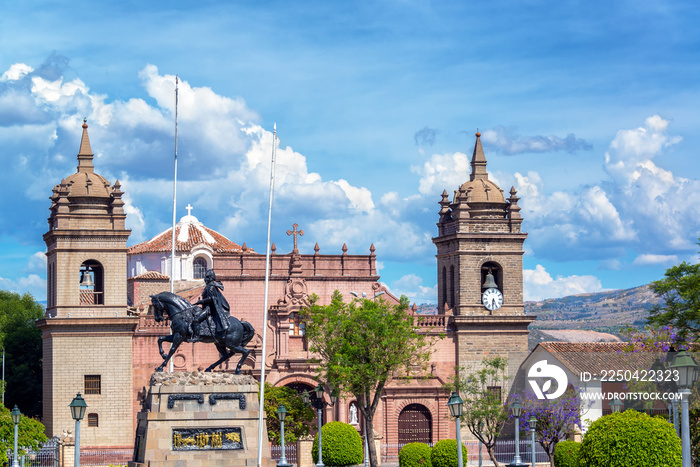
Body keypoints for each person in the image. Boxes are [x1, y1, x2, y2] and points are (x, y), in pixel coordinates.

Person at [191, 269, 230, 341]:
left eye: (207, 277)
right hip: (206, 307)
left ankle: (196, 337)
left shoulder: (211, 287)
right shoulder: (209, 286)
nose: (205, 279)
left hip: (208, 309)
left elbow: (211, 298)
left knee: (196, 320)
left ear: (210, 278)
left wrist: (201, 301)